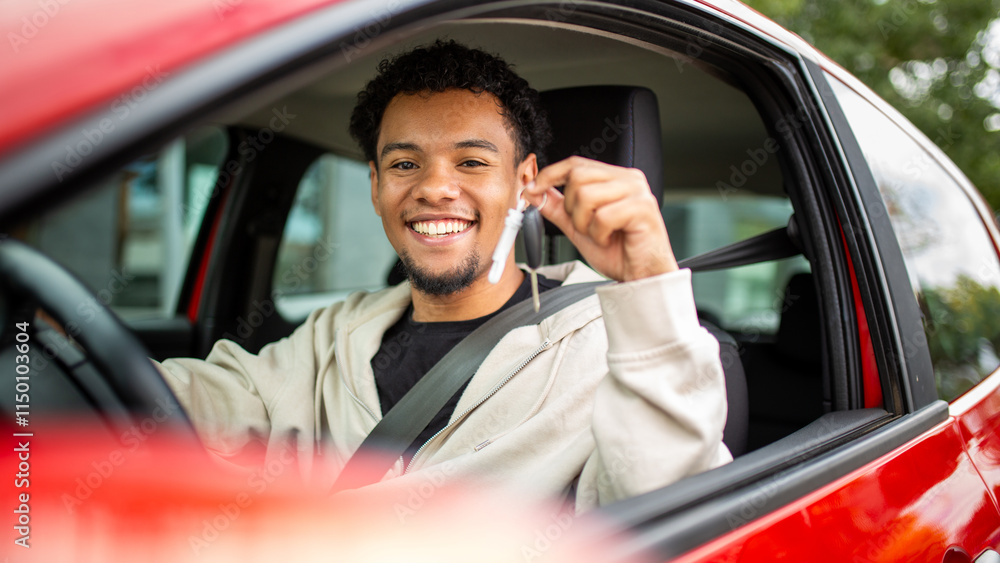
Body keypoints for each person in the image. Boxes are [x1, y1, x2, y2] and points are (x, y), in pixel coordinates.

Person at [157, 40, 731, 511]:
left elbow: (673, 507)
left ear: (524, 183)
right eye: (405, 164)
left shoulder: (614, 344)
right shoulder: (335, 334)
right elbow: (198, 402)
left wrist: (649, 283)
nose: (433, 188)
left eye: (473, 162)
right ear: (377, 188)